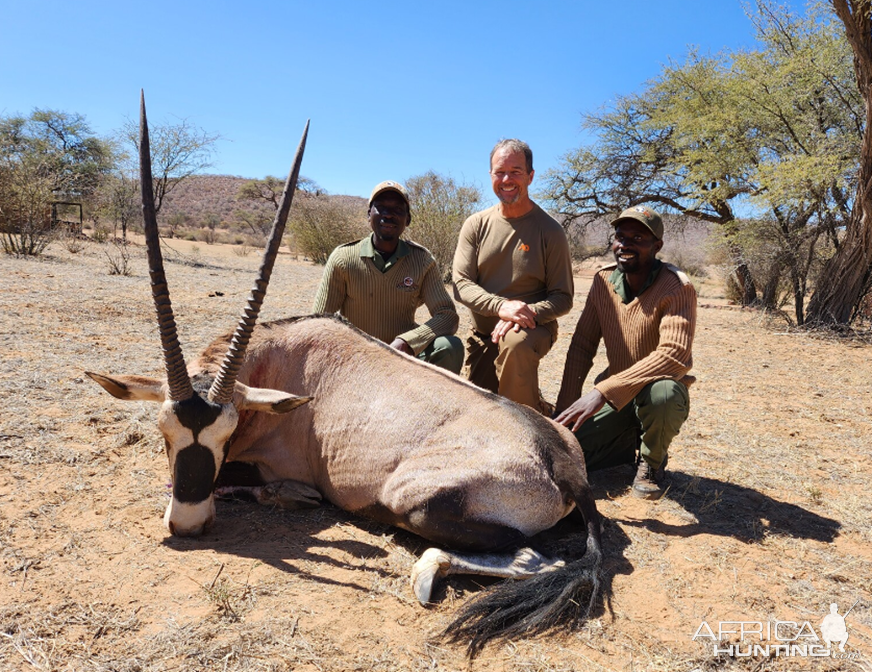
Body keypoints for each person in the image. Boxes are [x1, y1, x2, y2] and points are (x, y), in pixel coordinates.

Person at [554, 205, 696, 499]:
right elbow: (582, 346)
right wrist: (562, 417)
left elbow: (674, 354)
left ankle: (651, 463)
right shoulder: (603, 281)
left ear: (657, 246)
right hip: (617, 395)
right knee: (562, 456)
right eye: (620, 236)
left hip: (654, 392)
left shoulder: (676, 286)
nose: (625, 245)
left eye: (638, 238)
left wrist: (602, 392)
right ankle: (623, 442)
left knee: (665, 393)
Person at [452, 139, 573, 410]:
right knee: (481, 412)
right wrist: (501, 307)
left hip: (530, 330)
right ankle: (540, 408)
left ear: (530, 176)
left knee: (515, 347)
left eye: (516, 172)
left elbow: (562, 298)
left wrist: (523, 313)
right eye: (500, 172)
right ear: (490, 175)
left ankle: (528, 438)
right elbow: (461, 283)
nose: (507, 179)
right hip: (484, 335)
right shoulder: (476, 225)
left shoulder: (550, 231)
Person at [313, 180, 464, 374]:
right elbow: (318, 322)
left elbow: (447, 316)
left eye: (397, 209)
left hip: (403, 358)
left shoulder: (422, 260)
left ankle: (425, 404)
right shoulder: (344, 258)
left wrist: (408, 342)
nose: (388, 214)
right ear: (369, 215)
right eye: (381, 207)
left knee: (449, 347)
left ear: (408, 219)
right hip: (355, 359)